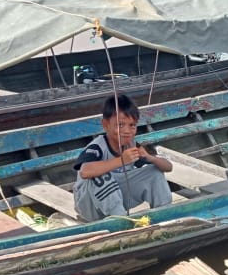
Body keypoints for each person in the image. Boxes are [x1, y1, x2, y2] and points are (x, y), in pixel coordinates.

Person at [73, 93, 173, 221]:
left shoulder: (131, 145)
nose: (127, 131)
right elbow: (85, 172)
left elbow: (168, 167)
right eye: (120, 125)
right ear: (105, 125)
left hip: (116, 202)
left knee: (154, 172)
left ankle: (164, 216)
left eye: (132, 125)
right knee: (100, 175)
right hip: (89, 206)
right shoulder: (97, 147)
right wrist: (121, 160)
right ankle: (121, 222)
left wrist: (150, 157)